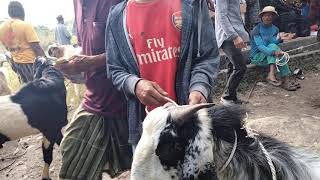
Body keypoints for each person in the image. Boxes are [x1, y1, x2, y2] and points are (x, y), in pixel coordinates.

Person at [106, 0, 220, 149]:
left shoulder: (192, 4)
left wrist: (199, 86)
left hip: (192, 121)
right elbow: (115, 69)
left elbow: (207, 56)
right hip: (147, 131)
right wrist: (135, 85)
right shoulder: (117, 17)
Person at [56, 0, 132, 179]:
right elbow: (87, 46)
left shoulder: (118, 3)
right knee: (72, 150)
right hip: (95, 97)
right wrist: (76, 69)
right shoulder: (77, 3)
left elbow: (136, 45)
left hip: (126, 99)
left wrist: (93, 62)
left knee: (142, 162)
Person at [250, 6, 300, 91]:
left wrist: (282, 38)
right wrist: (273, 52)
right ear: (262, 17)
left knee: (277, 50)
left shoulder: (275, 29)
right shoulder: (256, 29)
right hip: (258, 57)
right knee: (274, 49)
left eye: (270, 15)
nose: (268, 17)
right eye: (266, 15)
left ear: (273, 17)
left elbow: (272, 42)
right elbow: (260, 46)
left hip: (269, 58)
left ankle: (285, 79)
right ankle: (273, 75)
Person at [0, 1, 45, 83]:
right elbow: (36, 48)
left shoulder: (2, 28)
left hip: (15, 63)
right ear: (22, 11)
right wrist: (46, 62)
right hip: (30, 63)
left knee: (25, 88)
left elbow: (7, 46)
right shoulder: (25, 25)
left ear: (10, 12)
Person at [215, 0, 249, 105]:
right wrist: (234, 36)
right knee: (240, 67)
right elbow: (222, 16)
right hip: (228, 37)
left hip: (232, 35)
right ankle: (227, 96)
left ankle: (232, 97)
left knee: (232, 66)